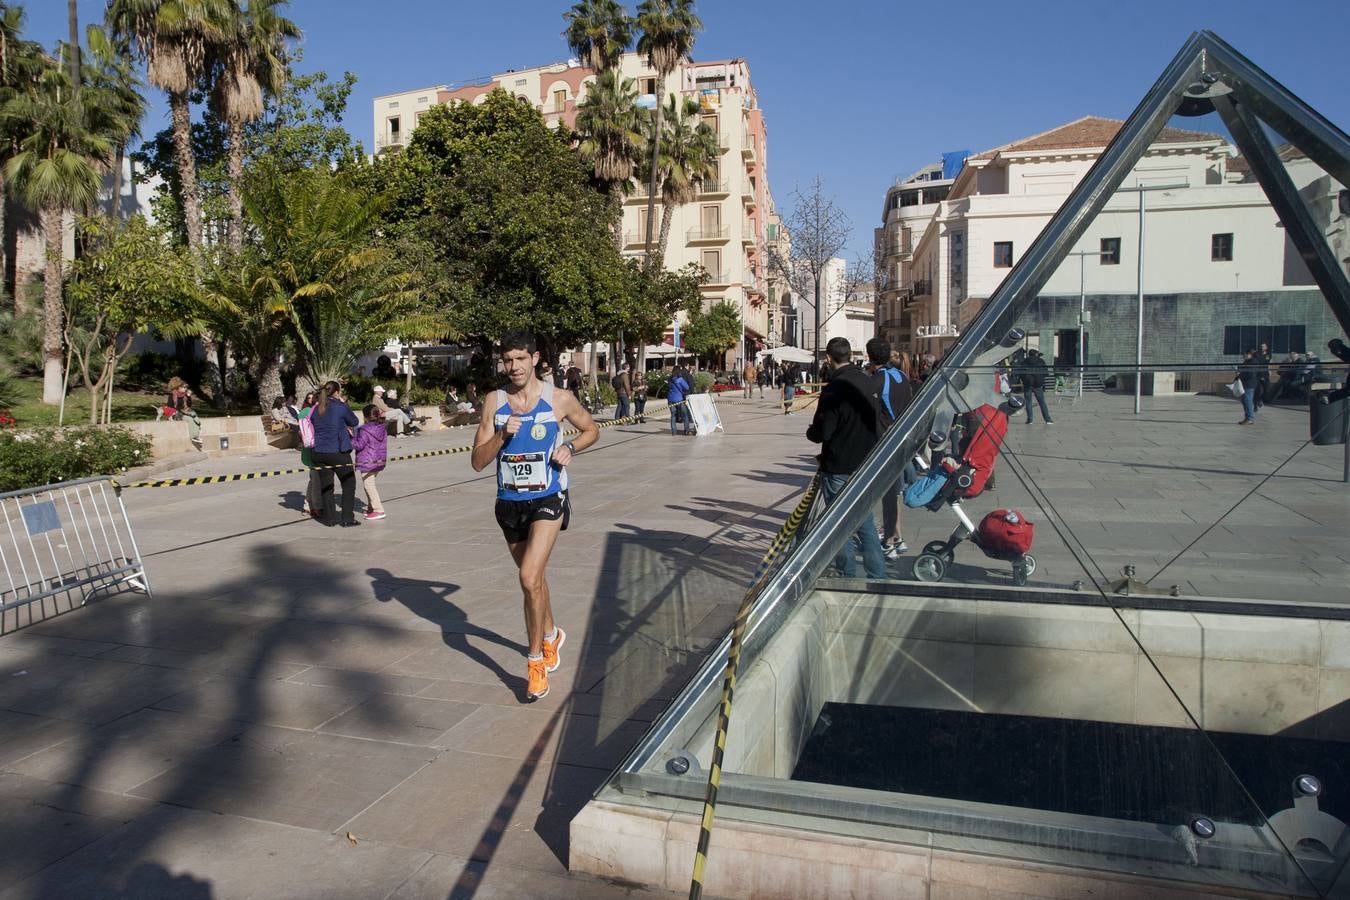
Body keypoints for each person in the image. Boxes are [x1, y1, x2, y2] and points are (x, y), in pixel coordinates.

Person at [471, 331, 600, 701]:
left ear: (535, 358)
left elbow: (591, 429)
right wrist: (500, 436)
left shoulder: (558, 399)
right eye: (507, 360)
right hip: (509, 503)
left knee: (528, 577)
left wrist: (570, 447)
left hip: (547, 497)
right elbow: (477, 462)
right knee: (535, 580)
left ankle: (535, 663)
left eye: (520, 359)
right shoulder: (494, 402)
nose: (513, 367)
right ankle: (551, 635)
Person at [806, 337, 886, 580]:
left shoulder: (834, 388)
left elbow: (823, 432)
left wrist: (811, 432)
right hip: (866, 462)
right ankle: (877, 574)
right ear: (850, 355)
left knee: (838, 522)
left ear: (829, 358)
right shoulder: (868, 382)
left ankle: (846, 573)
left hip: (839, 464)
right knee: (864, 520)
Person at [868, 339, 915, 559]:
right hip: (902, 440)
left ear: (870, 356)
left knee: (886, 493)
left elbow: (870, 414)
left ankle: (888, 541)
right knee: (893, 492)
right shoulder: (901, 376)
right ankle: (897, 536)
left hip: (885, 442)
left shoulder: (877, 380)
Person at [310, 380, 359, 526]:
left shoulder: (317, 408)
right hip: (337, 451)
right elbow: (354, 421)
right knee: (349, 484)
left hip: (318, 452)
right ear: (337, 392)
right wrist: (343, 404)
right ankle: (347, 518)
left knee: (327, 486)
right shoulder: (340, 407)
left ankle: (330, 519)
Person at [352, 404, 389, 521]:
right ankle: (371, 508)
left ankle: (378, 510)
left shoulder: (364, 429)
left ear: (365, 416)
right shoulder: (382, 427)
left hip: (367, 461)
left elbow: (359, 445)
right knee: (370, 483)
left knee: (369, 485)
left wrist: (351, 438)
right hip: (379, 460)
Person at [298, 391, 320, 518]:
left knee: (314, 479)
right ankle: (313, 507)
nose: (311, 400)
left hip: (312, 450)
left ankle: (308, 505)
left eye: (313, 397)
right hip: (312, 450)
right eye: (309, 398)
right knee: (315, 480)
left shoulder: (310, 412)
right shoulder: (307, 412)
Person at [166, 376, 203, 450]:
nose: (185, 389)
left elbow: (189, 405)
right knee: (190, 419)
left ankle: (196, 436)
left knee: (196, 418)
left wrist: (188, 397)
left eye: (186, 387)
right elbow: (170, 406)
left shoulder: (185, 395)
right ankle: (194, 437)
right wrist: (175, 413)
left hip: (185, 412)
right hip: (177, 414)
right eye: (184, 387)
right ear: (178, 388)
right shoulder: (172, 395)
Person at [1021, 350, 1054, 425]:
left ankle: (1030, 420)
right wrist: (1041, 379)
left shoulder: (1025, 361)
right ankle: (1048, 420)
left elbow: (1021, 372)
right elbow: (1045, 372)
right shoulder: (1040, 361)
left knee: (1028, 402)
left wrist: (1024, 380)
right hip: (1038, 384)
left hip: (1027, 384)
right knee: (1042, 402)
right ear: (1036, 354)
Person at [1237, 348, 1261, 424]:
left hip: (1249, 384)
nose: (1243, 355)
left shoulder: (1253, 362)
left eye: (1245, 354)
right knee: (1245, 401)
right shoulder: (1247, 361)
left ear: (1250, 354)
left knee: (1248, 401)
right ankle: (1248, 417)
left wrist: (1240, 374)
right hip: (1245, 383)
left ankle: (1250, 418)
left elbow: (1250, 374)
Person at [667, 365, 692, 435]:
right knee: (685, 415)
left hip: (670, 399)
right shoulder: (680, 379)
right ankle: (686, 430)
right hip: (679, 399)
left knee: (673, 416)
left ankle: (674, 432)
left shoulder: (669, 379)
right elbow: (687, 387)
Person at [1256, 342, 1272, 409]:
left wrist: (1270, 370)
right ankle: (1259, 400)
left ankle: (1262, 399)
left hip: (1265, 373)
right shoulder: (1257, 354)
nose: (1262, 347)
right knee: (1258, 389)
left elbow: (1269, 363)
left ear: (1266, 348)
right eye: (1261, 346)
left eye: (1263, 346)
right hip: (1258, 373)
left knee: (1267, 389)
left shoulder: (1268, 355)